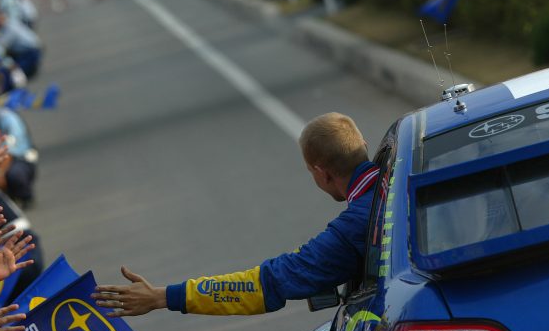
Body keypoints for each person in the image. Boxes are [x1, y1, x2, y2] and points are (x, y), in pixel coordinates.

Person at [93, 112, 379, 317]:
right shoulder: (398, 176)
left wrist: (163, 296)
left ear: (321, 173)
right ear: (363, 145)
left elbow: (265, 284)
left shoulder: (351, 229)